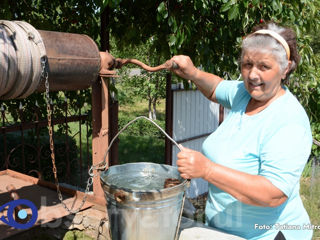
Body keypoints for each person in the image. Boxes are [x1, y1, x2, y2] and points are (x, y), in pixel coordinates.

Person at [170, 22, 313, 240]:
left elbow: (273, 194)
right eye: (247, 64)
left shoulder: (289, 121)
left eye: (264, 67)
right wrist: (193, 73)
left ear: (285, 69)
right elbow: (216, 88)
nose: (253, 75)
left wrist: (207, 170)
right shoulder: (245, 94)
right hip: (225, 230)